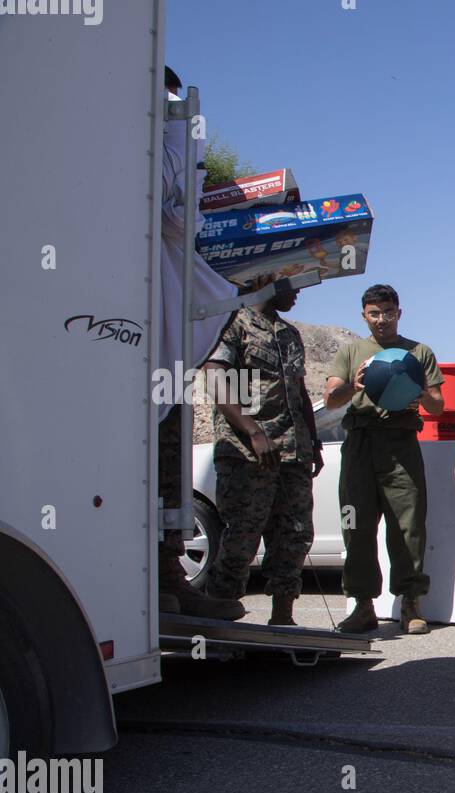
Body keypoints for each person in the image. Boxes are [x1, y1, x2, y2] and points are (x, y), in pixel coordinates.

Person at [157, 65, 241, 619]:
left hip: (162, 329)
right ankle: (167, 580)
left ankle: (168, 578)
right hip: (141, 331)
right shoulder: (163, 123)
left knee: (167, 454)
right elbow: (226, 378)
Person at [324, 284, 444, 634]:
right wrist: (353, 386)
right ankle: (363, 606)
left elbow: (437, 406)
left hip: (401, 441)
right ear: (364, 315)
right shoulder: (350, 352)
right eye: (374, 313)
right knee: (356, 524)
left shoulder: (418, 352)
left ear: (399, 313)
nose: (382, 319)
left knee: (408, 525)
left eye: (388, 312)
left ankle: (410, 604)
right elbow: (331, 399)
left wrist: (417, 392)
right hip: (360, 442)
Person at [201, 282, 322, 624]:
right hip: (247, 452)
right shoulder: (233, 323)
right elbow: (215, 379)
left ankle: (283, 616)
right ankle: (220, 611)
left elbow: (298, 391)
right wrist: (253, 431)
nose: (297, 291)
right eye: (290, 283)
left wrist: (312, 442)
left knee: (295, 534)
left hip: (292, 453)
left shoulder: (289, 333)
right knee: (242, 533)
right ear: (263, 282)